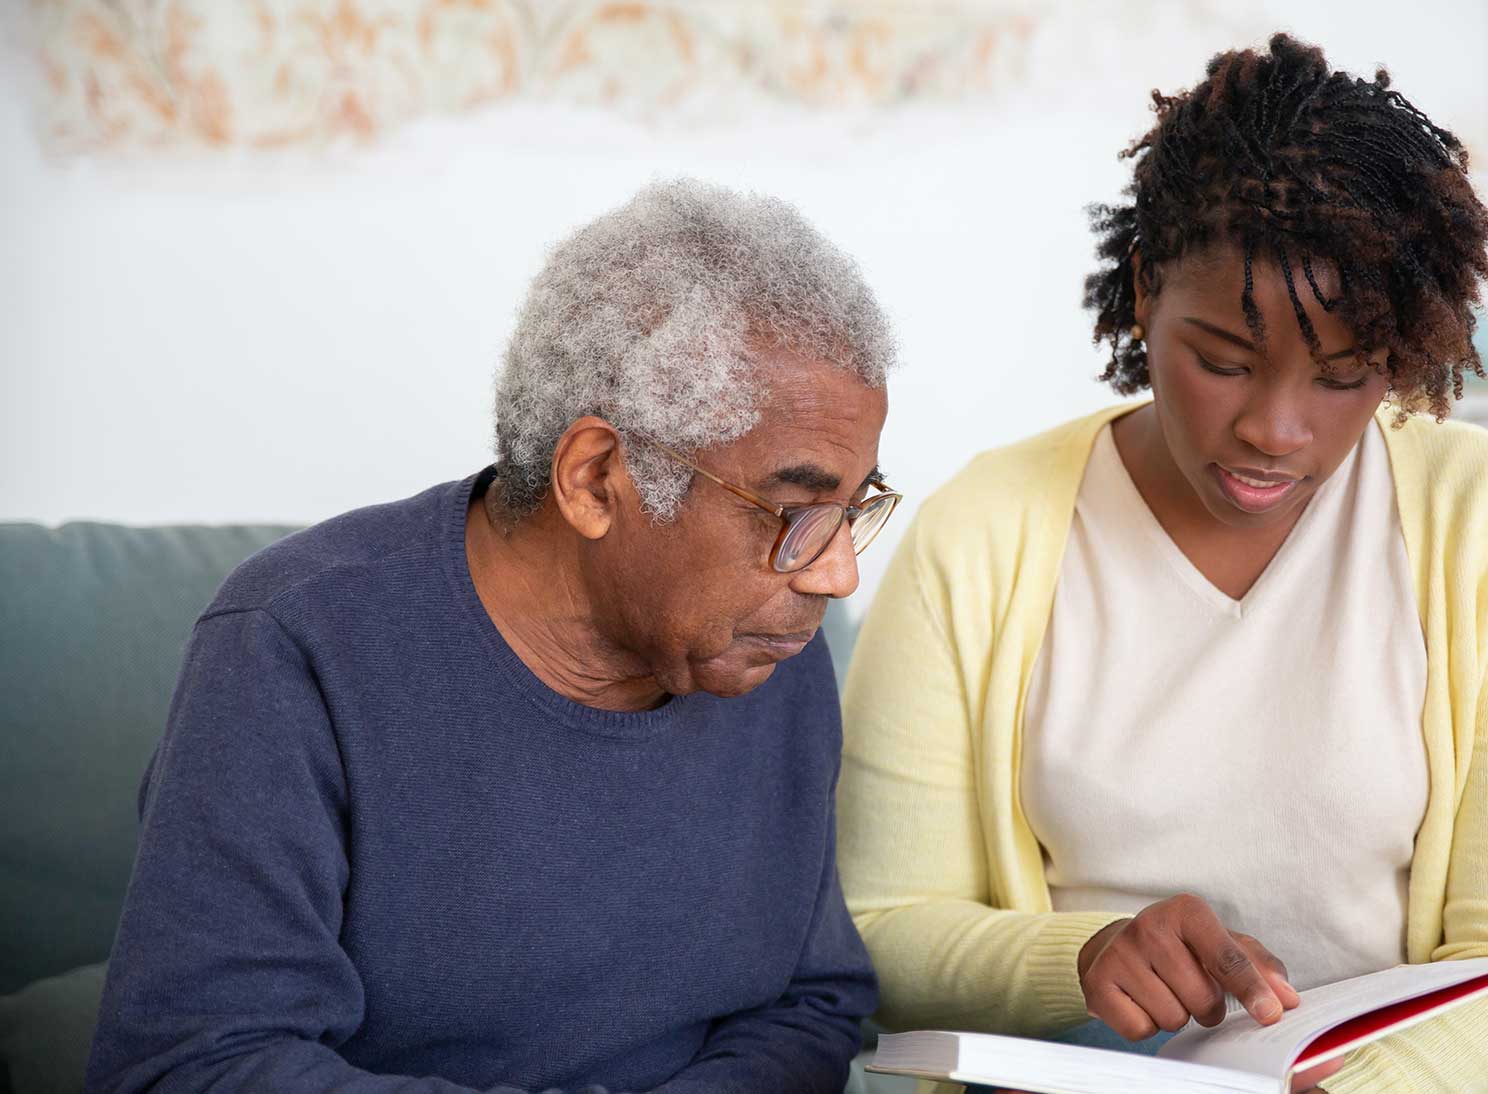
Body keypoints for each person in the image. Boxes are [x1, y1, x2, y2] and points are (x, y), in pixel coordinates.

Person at [837, 35, 1488, 1094]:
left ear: (1400, 352)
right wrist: (1078, 958)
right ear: (1143, 292)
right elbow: (883, 926)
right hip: (1097, 1063)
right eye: (1222, 360)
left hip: (1439, 1066)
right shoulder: (978, 534)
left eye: (1342, 374)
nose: (1275, 427)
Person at [87, 179, 899, 1094]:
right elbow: (197, 1063)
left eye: (854, 506)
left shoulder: (763, 646)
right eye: (794, 510)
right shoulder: (296, 644)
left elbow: (810, 1001)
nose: (835, 574)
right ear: (596, 478)